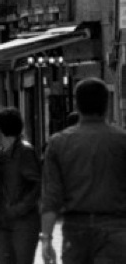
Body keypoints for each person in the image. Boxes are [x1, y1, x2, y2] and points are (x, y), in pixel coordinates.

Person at [39, 77, 126, 264]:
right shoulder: (121, 141)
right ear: (106, 105)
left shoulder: (58, 143)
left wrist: (46, 238)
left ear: (77, 105)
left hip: (75, 229)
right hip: (115, 229)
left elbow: (51, 197)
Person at [0, 107, 40, 264]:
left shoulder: (25, 152)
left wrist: (18, 209)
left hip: (22, 222)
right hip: (1, 219)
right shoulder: (1, 151)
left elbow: (36, 186)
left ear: (0, 130)